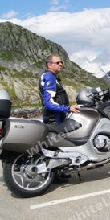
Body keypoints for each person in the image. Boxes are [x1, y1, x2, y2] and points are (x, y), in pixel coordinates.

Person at [39, 54, 80, 182]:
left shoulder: (53, 78)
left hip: (57, 117)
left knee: (55, 146)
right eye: (57, 62)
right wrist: (67, 108)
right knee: (54, 146)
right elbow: (49, 103)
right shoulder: (49, 77)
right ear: (49, 65)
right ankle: (54, 174)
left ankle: (57, 174)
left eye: (61, 62)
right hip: (53, 118)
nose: (61, 64)